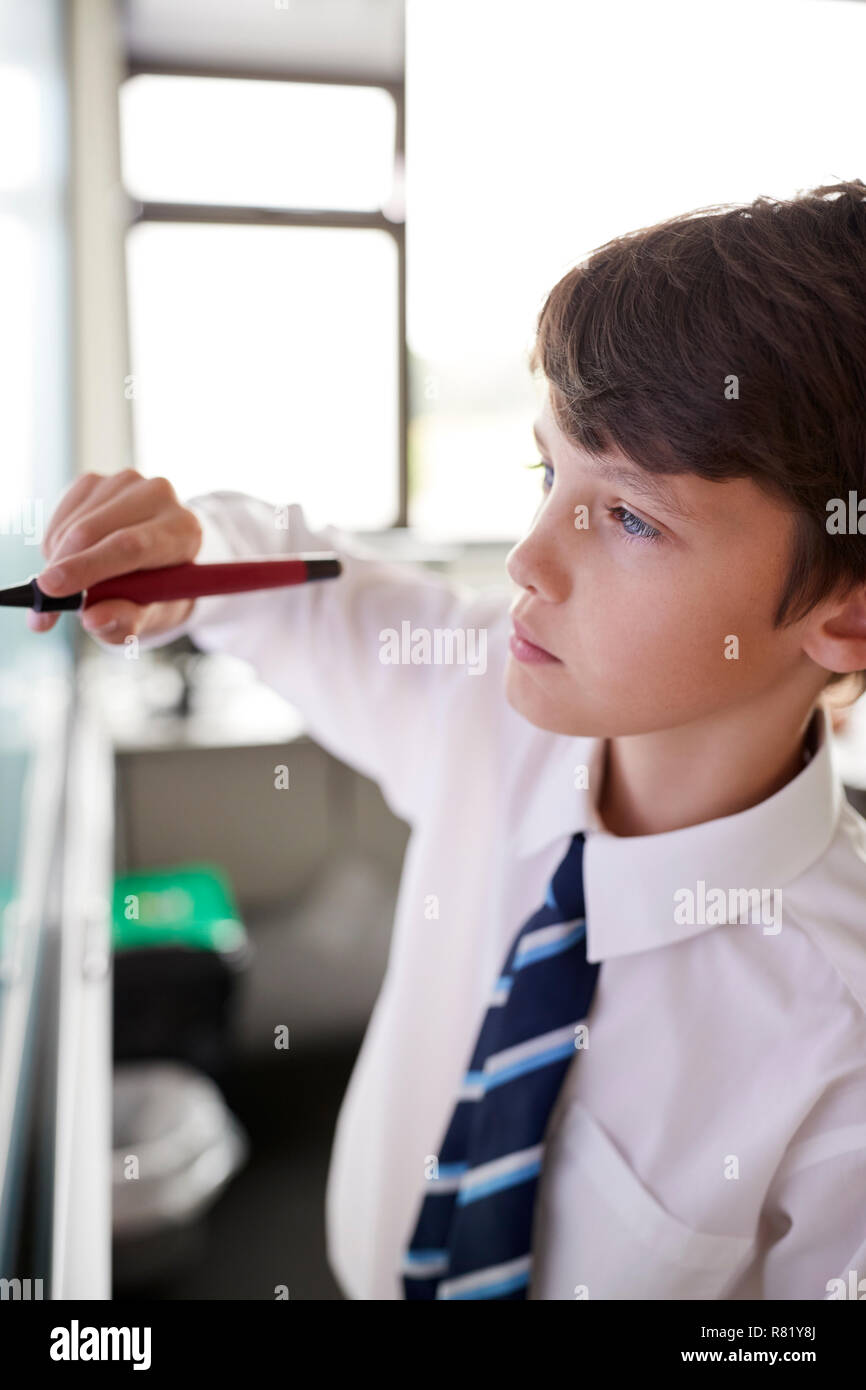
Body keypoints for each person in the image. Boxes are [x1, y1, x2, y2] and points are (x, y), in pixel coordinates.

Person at [32, 180, 866, 1300]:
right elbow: (299, 590)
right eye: (546, 473)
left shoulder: (839, 1036)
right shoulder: (486, 706)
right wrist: (182, 550)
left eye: (626, 517)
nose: (527, 559)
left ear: (846, 612)